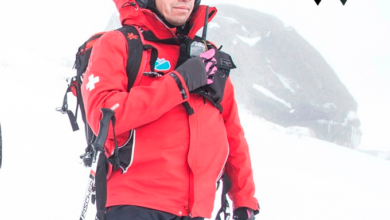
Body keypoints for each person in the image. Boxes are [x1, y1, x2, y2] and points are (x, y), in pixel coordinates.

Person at [81, 0, 259, 219]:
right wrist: (179, 83)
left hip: (196, 211)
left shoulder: (208, 56)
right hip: (133, 205)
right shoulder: (119, 43)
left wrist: (244, 200)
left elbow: (232, 134)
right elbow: (103, 118)